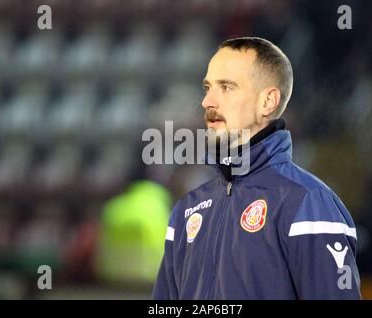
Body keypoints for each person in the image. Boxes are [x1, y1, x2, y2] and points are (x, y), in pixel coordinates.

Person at [152, 37, 361, 299]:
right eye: (207, 87)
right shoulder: (187, 210)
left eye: (226, 87)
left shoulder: (308, 204)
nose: (208, 102)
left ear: (268, 101)